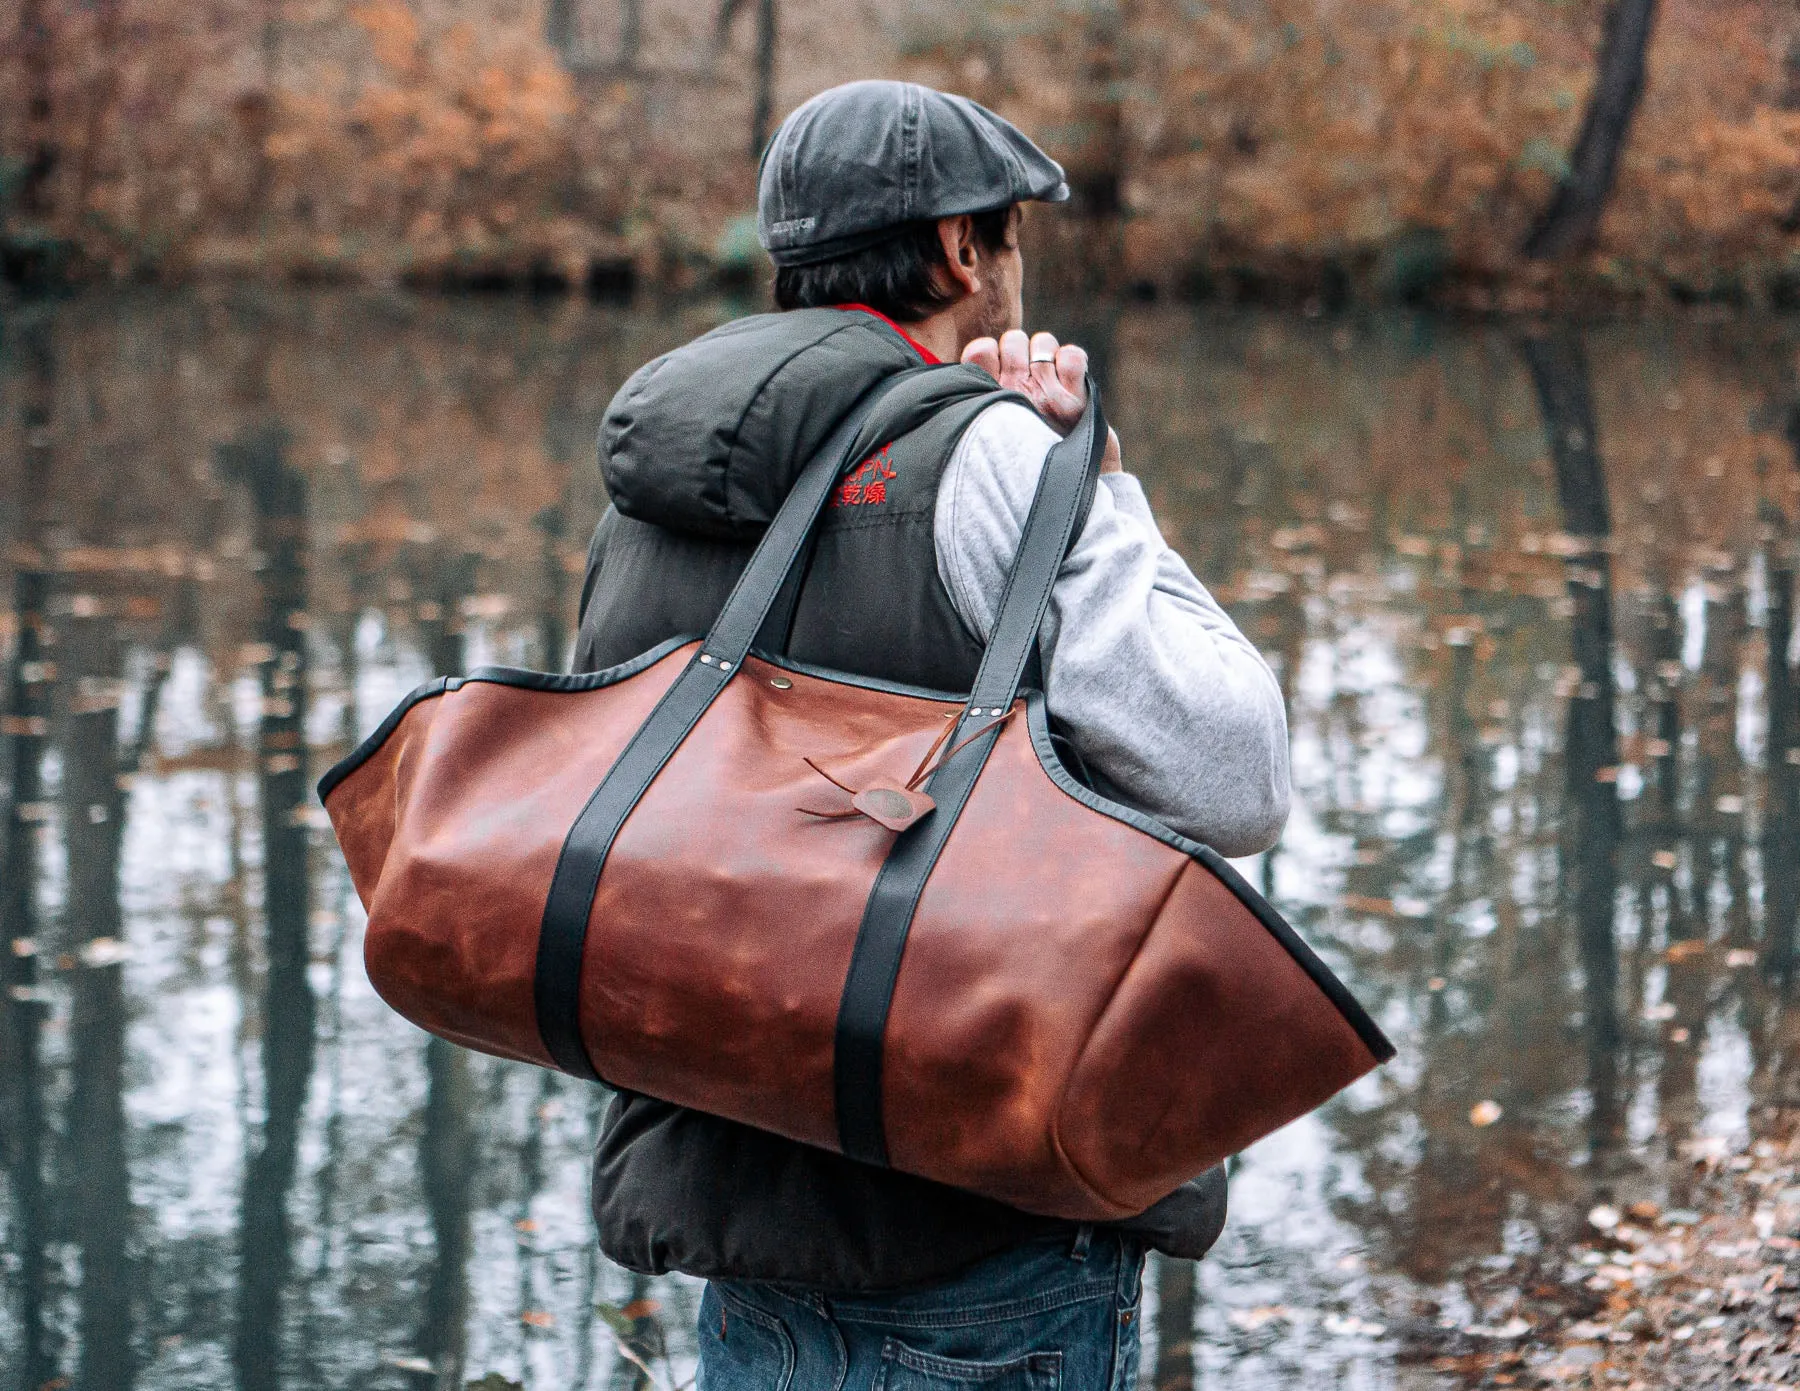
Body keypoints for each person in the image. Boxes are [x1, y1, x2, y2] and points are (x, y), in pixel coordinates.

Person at [574, 79, 1290, 1391]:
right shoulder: (999, 456)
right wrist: (1102, 484)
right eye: (1008, 233)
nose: (1012, 263)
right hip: (985, 1236)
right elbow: (1234, 775)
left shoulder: (650, 474)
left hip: (744, 1220)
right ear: (963, 248)